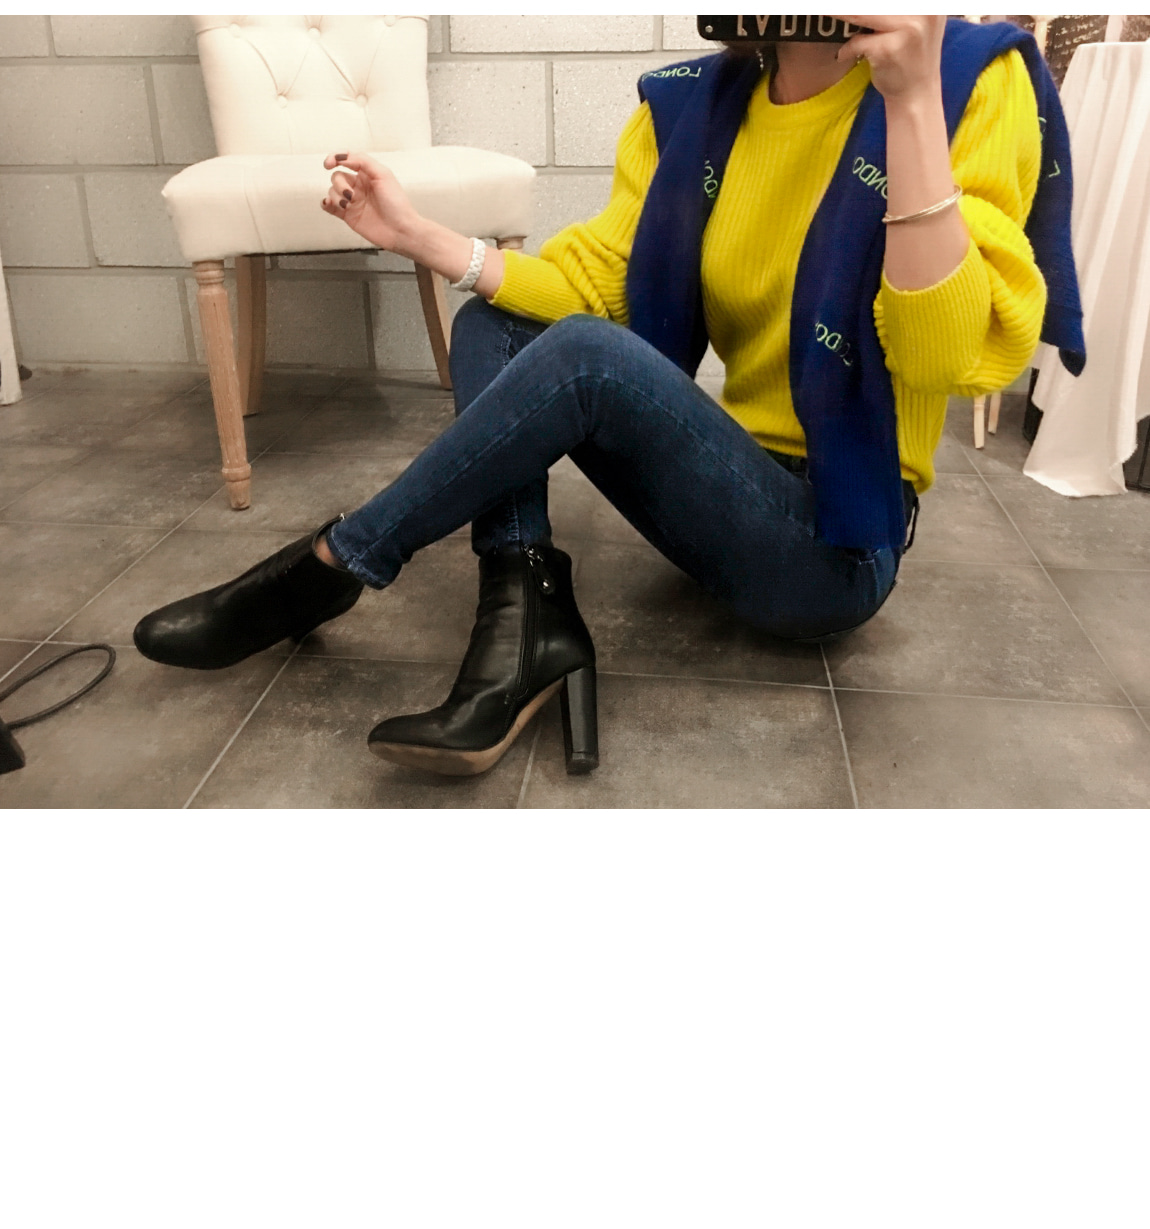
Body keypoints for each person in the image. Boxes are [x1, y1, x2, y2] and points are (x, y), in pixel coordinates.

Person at [133, 16, 1081, 779]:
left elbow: (943, 358)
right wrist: (420, 234)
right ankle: (524, 614)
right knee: (495, 324)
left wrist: (910, 106)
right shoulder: (695, 109)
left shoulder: (969, 80)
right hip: (726, 482)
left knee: (586, 357)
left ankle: (339, 562)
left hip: (832, 545)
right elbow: (598, 280)